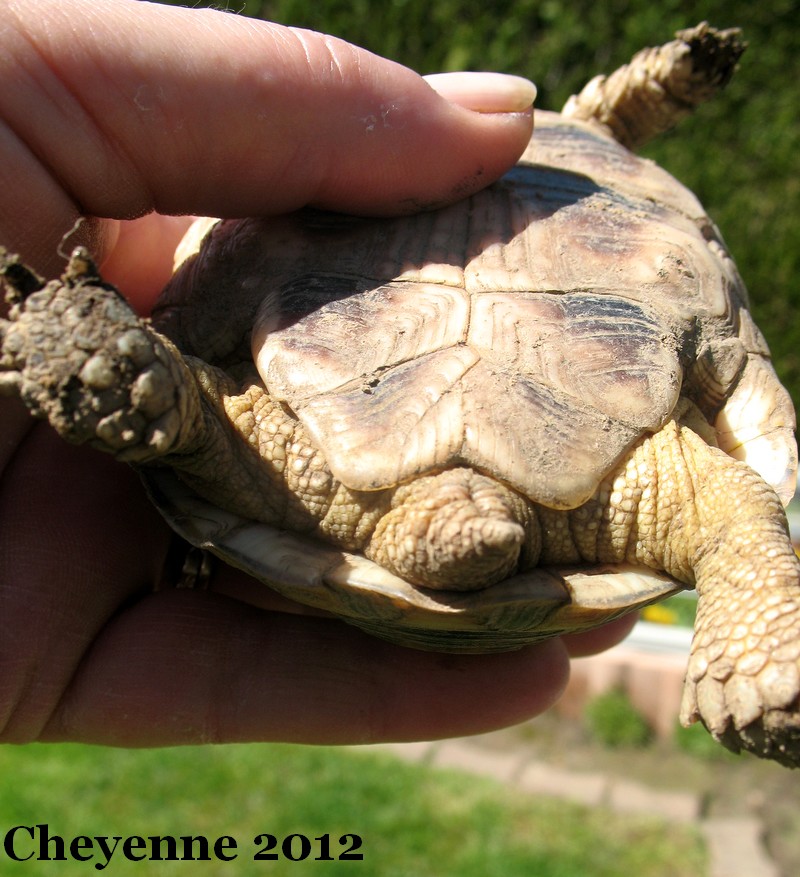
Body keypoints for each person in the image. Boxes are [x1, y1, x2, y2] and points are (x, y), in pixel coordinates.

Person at [0, 0, 634, 747]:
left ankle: (601, 130)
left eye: (455, 537)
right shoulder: (620, 494)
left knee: (186, 412)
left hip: (371, 377)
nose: (487, 534)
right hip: (551, 255)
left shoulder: (295, 479)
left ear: (400, 539)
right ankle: (605, 122)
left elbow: (208, 416)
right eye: (501, 530)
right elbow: (728, 507)